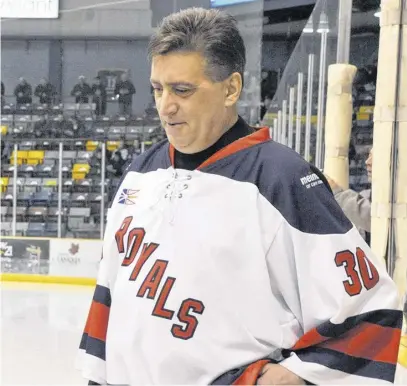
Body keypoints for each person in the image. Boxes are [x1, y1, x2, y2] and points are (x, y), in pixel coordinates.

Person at [77, 8, 401, 386]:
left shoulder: (281, 179)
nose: (165, 106)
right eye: (158, 88)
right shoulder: (140, 172)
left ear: (231, 89)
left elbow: (370, 307)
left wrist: (295, 375)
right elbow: (109, 293)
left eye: (182, 90)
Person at [326, 148, 372, 244]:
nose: (368, 162)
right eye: (369, 156)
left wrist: (338, 193)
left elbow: (374, 219)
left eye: (375, 157)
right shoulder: (364, 196)